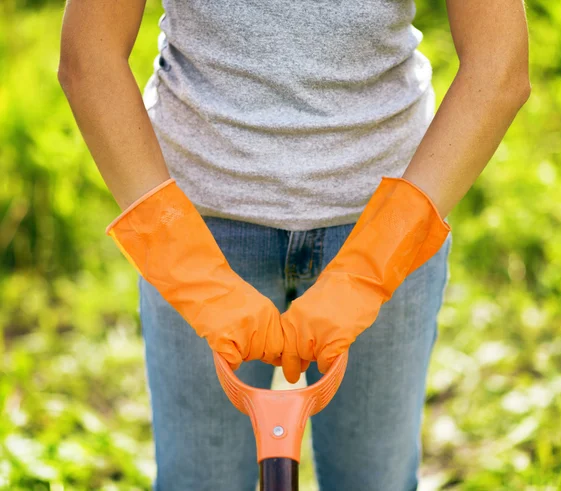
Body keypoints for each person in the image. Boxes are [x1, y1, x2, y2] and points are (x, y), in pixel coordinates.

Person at [57, 0, 530, 489]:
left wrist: (372, 267)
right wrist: (190, 267)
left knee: (374, 481)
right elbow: (89, 59)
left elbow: (499, 64)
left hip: (384, 220)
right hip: (201, 224)